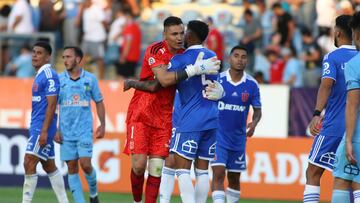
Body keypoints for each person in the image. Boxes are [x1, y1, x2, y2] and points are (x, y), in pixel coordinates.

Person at [123, 16, 220, 203]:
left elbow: (209, 72)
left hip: (165, 116)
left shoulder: (184, 54)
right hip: (142, 112)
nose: (178, 37)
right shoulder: (155, 49)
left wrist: (220, 89)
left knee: (157, 167)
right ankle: (136, 201)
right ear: (164, 35)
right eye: (174, 34)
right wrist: (194, 69)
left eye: (181, 33)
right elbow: (162, 82)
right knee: (139, 165)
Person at [168, 20, 224, 203]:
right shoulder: (213, 56)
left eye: (184, 33)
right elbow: (215, 85)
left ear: (190, 36)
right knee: (202, 171)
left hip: (191, 119)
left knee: (182, 169)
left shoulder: (180, 58)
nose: (182, 36)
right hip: (212, 118)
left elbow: (165, 80)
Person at [303, 15, 357, 203]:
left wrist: (317, 114)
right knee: (353, 179)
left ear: (338, 32)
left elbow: (326, 85)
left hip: (335, 126)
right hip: (357, 129)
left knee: (313, 172)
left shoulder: (332, 57)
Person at [54, 46, 105, 203]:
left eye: (68, 57)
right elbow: (52, 106)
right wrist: (54, 129)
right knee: (71, 168)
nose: (65, 60)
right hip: (65, 133)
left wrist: (102, 124)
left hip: (84, 130)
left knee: (86, 164)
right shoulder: (59, 80)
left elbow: (99, 101)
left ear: (77, 59)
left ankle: (93, 193)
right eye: (63, 57)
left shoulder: (90, 79)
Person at [211, 45, 262, 203]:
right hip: (218, 137)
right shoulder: (218, 80)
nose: (239, 59)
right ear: (229, 58)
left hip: (238, 139)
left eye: (243, 57)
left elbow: (258, 110)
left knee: (234, 178)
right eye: (236, 56)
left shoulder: (252, 84)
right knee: (218, 173)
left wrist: (254, 122)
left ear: (247, 60)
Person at [22, 41, 69, 203]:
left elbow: (52, 103)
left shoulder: (49, 75)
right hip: (38, 126)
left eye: (39, 53)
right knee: (49, 166)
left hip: (41, 128)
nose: (35, 55)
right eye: (34, 52)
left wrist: (44, 130)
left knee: (28, 162)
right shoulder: (40, 75)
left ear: (48, 56)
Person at [331, 11, 360, 202]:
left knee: (342, 180)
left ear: (356, 33)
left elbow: (352, 104)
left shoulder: (354, 63)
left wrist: (349, 140)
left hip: (358, 135)